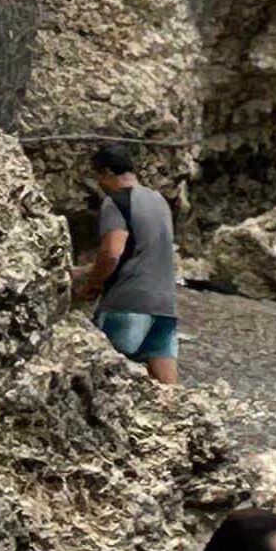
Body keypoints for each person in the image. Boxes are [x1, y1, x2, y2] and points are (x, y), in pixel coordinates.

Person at [71, 142, 182, 384]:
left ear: (108, 172)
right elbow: (146, 250)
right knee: (169, 389)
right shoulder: (159, 201)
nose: (98, 184)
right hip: (165, 305)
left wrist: (92, 284)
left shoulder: (116, 202)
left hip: (127, 304)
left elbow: (112, 252)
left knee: (107, 383)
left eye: (98, 175)